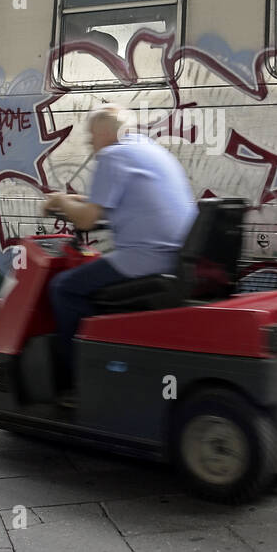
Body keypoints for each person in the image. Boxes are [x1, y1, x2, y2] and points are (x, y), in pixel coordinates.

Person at [42, 104, 196, 402]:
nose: (89, 143)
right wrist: (71, 200)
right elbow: (107, 203)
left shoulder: (113, 155)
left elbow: (86, 220)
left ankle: (77, 383)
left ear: (105, 133)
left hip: (145, 258)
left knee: (63, 288)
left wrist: (61, 200)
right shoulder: (147, 150)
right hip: (174, 257)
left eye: (90, 135)